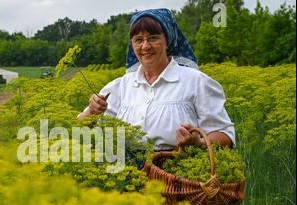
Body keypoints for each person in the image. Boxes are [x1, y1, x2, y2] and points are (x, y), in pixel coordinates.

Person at [77, 8, 235, 152]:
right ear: (132, 45)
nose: (145, 46)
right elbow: (79, 129)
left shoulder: (196, 82)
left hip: (177, 177)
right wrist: (92, 111)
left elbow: (226, 135)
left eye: (153, 38)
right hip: (126, 178)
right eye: (138, 40)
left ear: (168, 41)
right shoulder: (120, 87)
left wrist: (198, 143)